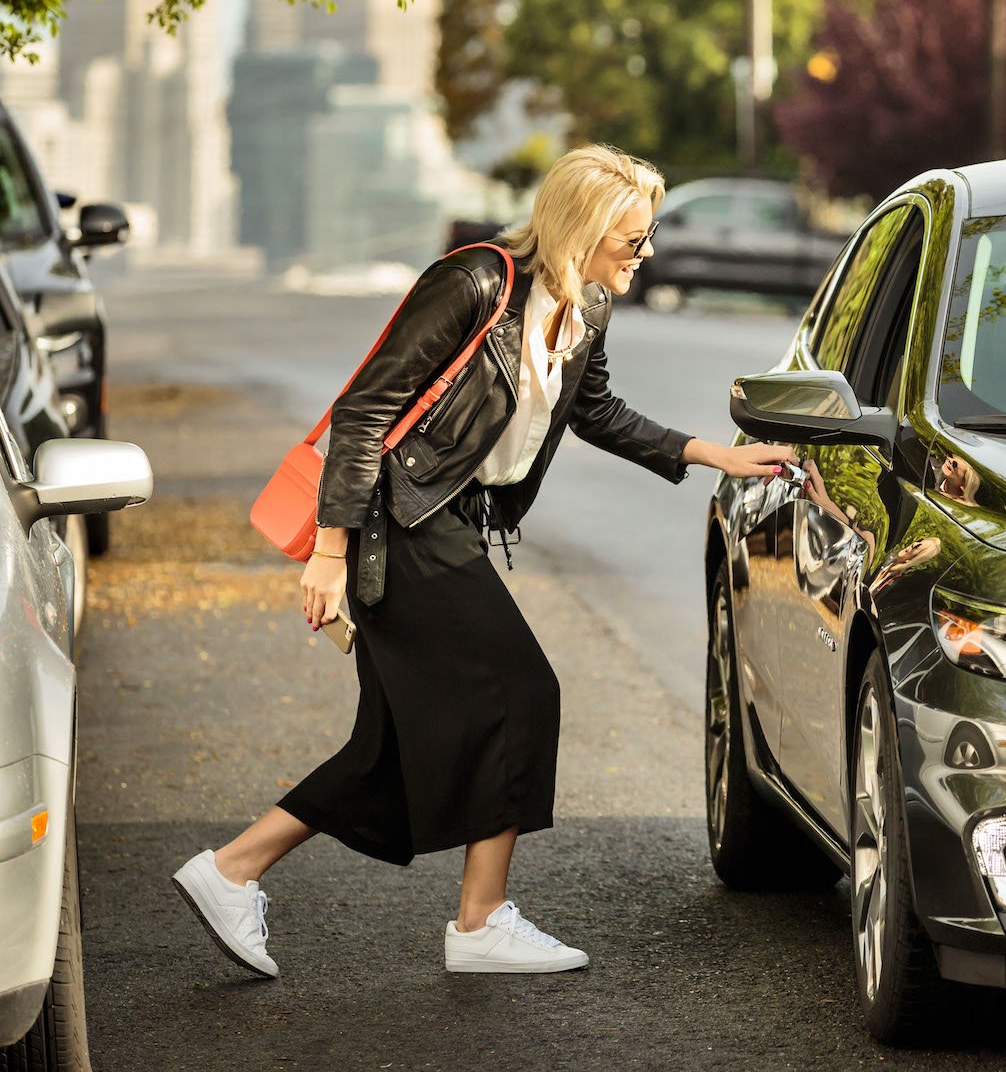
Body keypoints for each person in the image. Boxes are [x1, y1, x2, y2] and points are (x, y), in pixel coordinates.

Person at [173, 145, 796, 978]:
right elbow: (364, 410)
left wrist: (711, 453)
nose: (644, 254)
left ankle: (233, 868)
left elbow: (597, 410)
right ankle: (480, 919)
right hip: (401, 521)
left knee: (389, 748)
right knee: (521, 690)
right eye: (633, 236)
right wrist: (328, 551)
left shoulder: (587, 310)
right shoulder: (474, 282)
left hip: (450, 521)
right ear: (584, 223)